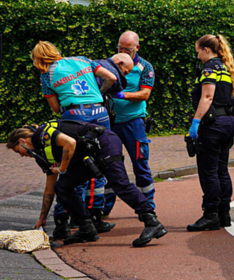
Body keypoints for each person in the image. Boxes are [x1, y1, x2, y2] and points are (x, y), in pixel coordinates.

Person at [6, 120, 166, 247]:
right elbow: (49, 189)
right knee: (62, 187)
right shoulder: (41, 154)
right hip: (89, 154)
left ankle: (152, 222)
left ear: (22, 142)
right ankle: (86, 228)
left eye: (17, 151)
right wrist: (42, 217)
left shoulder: (41, 134)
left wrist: (62, 168)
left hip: (104, 142)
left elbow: (70, 143)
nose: (20, 156)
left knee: (119, 183)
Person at [33, 41, 120, 240]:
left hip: (75, 117)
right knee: (100, 164)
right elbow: (111, 77)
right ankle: (95, 215)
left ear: (38, 59)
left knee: (73, 168)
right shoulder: (82, 60)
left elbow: (55, 108)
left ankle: (64, 221)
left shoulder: (47, 75)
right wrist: (99, 93)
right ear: (56, 51)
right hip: (100, 112)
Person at [187, 35, 234, 232]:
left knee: (208, 171)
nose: (197, 55)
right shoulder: (226, 67)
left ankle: (210, 215)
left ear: (206, 50)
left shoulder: (209, 68)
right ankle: (224, 213)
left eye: (198, 51)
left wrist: (195, 122)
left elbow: (208, 96)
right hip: (227, 123)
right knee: (222, 170)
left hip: (213, 125)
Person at [109, 32, 157, 214]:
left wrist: (123, 95)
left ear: (136, 48)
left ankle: (148, 207)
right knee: (108, 165)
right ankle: (103, 209)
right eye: (119, 48)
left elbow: (145, 94)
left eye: (126, 49)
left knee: (140, 163)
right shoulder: (110, 63)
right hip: (110, 122)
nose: (122, 51)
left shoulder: (145, 66)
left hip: (133, 122)